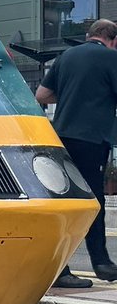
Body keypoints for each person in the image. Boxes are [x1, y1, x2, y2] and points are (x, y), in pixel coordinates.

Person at [35, 18, 117, 288]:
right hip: (91, 140)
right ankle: (102, 263)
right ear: (112, 39)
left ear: (88, 35)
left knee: (66, 201)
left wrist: (73, 94)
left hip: (61, 140)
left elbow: (42, 94)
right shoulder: (110, 58)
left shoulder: (66, 56)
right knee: (93, 202)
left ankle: (60, 268)